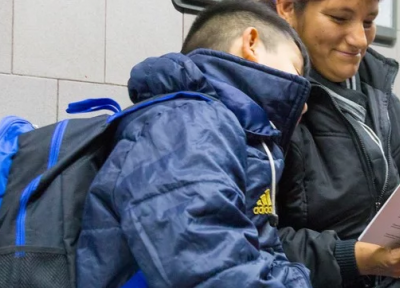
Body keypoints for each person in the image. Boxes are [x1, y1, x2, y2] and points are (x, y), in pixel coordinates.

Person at [76, 1, 315, 287]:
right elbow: (210, 270)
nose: (303, 107)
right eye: (296, 72)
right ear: (251, 43)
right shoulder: (189, 121)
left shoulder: (224, 130)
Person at [261, 1, 400, 287]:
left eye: (369, 22)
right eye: (339, 18)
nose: (360, 39)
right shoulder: (263, 103)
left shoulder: (383, 102)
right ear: (287, 7)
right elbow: (250, 245)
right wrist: (356, 259)